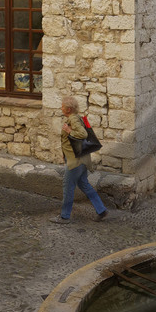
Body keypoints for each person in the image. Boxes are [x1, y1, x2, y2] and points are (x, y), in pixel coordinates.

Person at [52, 95, 107, 223]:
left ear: (68, 109)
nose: (61, 108)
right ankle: (101, 210)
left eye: (62, 106)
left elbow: (83, 134)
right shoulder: (77, 118)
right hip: (82, 159)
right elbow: (72, 142)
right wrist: (65, 154)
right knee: (84, 184)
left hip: (75, 162)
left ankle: (64, 216)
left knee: (68, 187)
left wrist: (69, 130)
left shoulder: (73, 120)